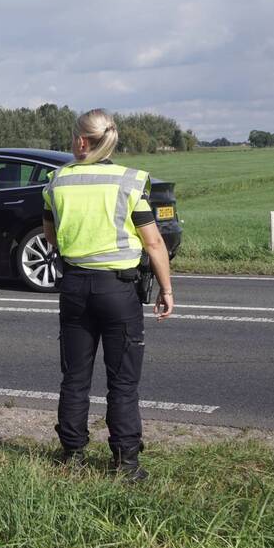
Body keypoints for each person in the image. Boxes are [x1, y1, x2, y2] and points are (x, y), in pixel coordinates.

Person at [41, 109, 173, 481]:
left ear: (82, 141)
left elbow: (50, 235)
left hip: (75, 287)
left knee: (75, 377)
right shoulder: (130, 181)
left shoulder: (56, 183)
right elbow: (154, 242)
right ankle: (126, 464)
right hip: (118, 290)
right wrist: (165, 288)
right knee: (123, 382)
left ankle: (72, 457)